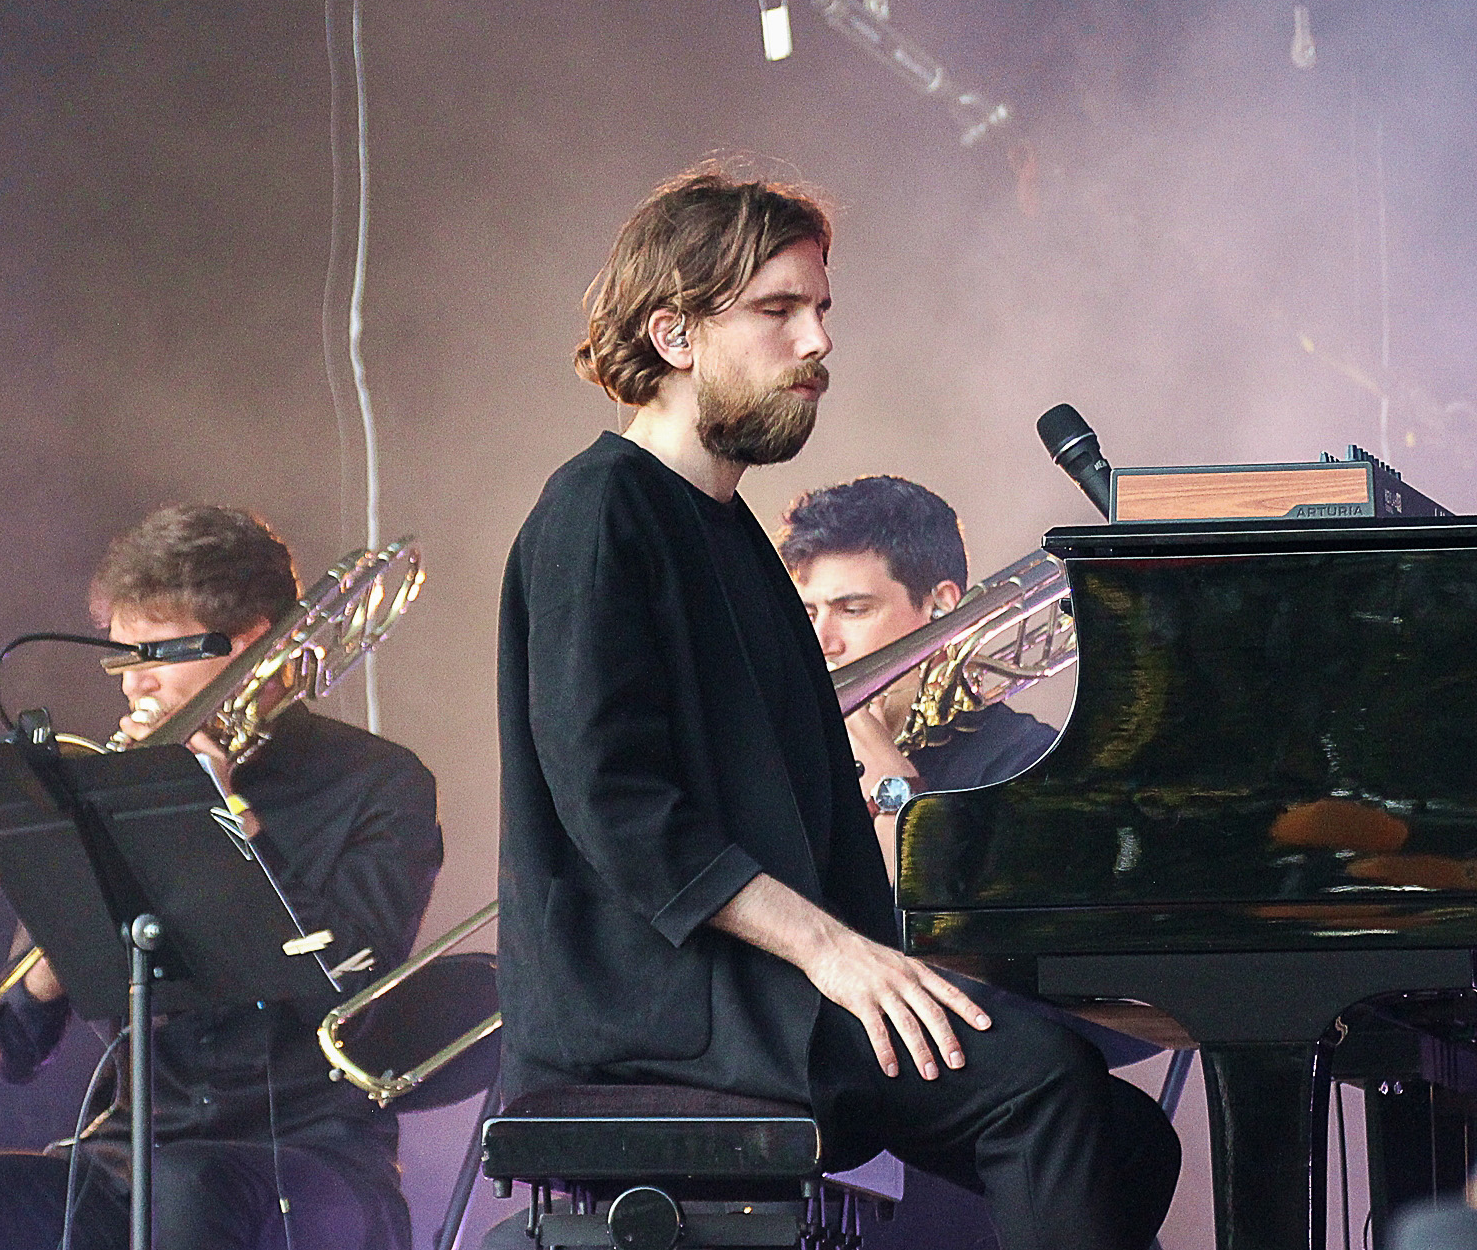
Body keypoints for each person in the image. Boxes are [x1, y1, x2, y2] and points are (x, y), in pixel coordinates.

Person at [496, 170, 1180, 1250]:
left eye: (821, 311)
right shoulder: (598, 511)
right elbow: (617, 806)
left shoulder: (728, 530)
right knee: (1043, 1083)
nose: (816, 340)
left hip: (754, 992)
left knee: (1130, 1136)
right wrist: (835, 954)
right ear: (673, 333)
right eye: (778, 310)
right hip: (664, 1012)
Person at [0, 505, 442, 1250]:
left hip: (315, 1159)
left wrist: (230, 821)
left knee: (184, 1190)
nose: (134, 683)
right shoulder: (115, 788)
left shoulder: (380, 785)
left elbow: (360, 1001)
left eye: (156, 652)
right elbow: (10, 1052)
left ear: (253, 645)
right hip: (129, 1157)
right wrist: (69, 917)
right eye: (122, 657)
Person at [779, 475, 1057, 880]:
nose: (822, 643)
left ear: (941, 608)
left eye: (853, 610)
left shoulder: (1024, 762)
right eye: (808, 615)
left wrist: (895, 784)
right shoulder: (793, 755)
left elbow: (949, 928)